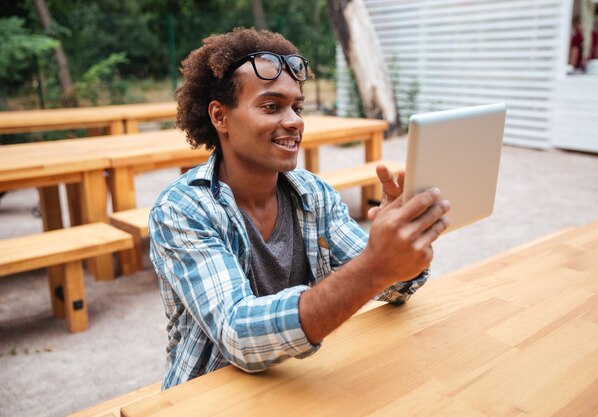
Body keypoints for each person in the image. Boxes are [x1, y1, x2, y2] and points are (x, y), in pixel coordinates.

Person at [149, 27, 450, 389]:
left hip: (294, 383)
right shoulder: (182, 210)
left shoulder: (314, 194)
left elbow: (393, 286)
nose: (294, 121)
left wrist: (403, 246)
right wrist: (375, 266)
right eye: (272, 106)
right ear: (220, 117)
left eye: (298, 106)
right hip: (206, 395)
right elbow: (238, 334)